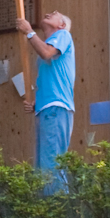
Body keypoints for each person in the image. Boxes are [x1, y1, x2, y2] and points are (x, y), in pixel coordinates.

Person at [17, 10, 75, 193]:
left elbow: (47, 53)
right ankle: (49, 205)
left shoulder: (63, 35)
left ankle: (57, 205)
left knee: (51, 162)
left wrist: (29, 32)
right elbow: (53, 79)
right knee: (44, 163)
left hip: (56, 108)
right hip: (49, 108)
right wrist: (37, 103)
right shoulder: (50, 43)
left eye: (56, 14)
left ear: (62, 25)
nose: (51, 12)